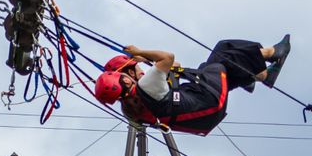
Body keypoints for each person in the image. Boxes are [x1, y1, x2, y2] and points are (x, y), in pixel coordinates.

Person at [93, 35, 290, 135]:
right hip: (209, 101)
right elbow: (168, 58)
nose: (138, 68)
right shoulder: (145, 86)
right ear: (126, 79)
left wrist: (158, 66)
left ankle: (259, 76)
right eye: (133, 67)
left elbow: (173, 69)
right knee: (223, 53)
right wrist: (141, 52)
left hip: (206, 113)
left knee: (212, 68)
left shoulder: (134, 109)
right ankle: (272, 53)